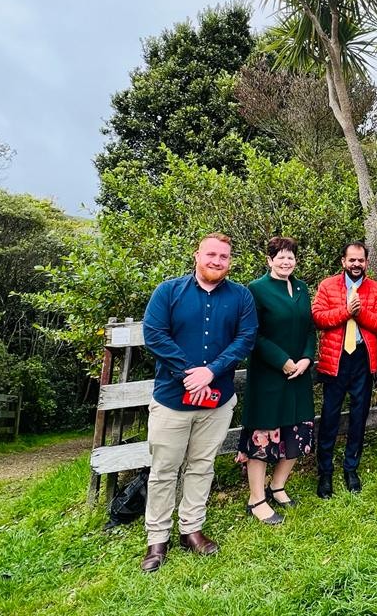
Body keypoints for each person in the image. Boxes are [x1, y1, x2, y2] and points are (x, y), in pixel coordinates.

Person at [140, 232, 257, 573]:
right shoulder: (169, 292)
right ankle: (157, 538)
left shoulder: (241, 297)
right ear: (197, 255)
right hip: (172, 401)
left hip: (218, 401)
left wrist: (212, 372)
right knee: (163, 470)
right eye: (211, 254)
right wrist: (189, 373)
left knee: (202, 465)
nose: (216, 261)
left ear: (229, 262)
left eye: (223, 257)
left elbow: (245, 338)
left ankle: (191, 529)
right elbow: (155, 335)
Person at [237, 236, 316, 525]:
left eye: (291, 257)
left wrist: (307, 357)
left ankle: (278, 486)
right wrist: (281, 360)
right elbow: (253, 334)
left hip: (299, 374)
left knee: (298, 430)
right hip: (270, 373)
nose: (286, 262)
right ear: (269, 260)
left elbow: (310, 327)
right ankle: (256, 499)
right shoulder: (255, 290)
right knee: (262, 437)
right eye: (280, 257)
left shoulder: (302, 288)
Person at [311, 242, 377, 498]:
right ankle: (325, 472)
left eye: (361, 260)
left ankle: (351, 468)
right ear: (343, 261)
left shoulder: (375, 288)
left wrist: (361, 312)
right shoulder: (328, 285)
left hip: (363, 361)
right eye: (352, 260)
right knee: (330, 416)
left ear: (366, 262)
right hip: (336, 359)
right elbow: (318, 317)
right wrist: (346, 311)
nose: (356, 264)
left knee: (359, 416)